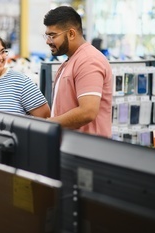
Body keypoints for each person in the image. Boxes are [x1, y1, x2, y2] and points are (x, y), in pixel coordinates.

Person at [43, 6, 112, 138]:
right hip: (74, 147)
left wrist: (49, 124)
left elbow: (88, 111)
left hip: (88, 151)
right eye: (47, 36)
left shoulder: (88, 60)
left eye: (52, 36)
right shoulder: (72, 60)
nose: (48, 41)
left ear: (71, 34)